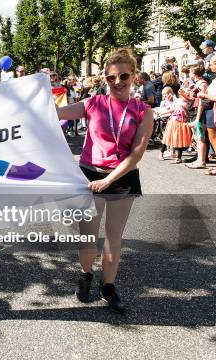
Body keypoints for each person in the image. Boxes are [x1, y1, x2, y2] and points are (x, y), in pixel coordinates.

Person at [58, 48, 154, 314]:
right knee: (88, 236)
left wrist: (109, 179)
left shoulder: (143, 111)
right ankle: (86, 273)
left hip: (122, 176)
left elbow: (137, 153)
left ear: (133, 76)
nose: (118, 82)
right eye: (111, 78)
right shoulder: (93, 102)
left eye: (124, 76)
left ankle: (108, 285)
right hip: (89, 173)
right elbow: (53, 114)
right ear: (105, 79)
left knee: (114, 237)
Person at [197, 54, 216, 176]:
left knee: (215, 139)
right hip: (213, 109)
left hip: (215, 110)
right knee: (214, 139)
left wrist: (205, 95)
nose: (209, 66)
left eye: (211, 64)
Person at [161, 87, 192, 164]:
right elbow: (172, 109)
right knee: (167, 137)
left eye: (188, 92)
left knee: (180, 139)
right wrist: (162, 113)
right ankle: (161, 153)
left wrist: (183, 94)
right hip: (173, 120)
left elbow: (188, 100)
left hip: (181, 121)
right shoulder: (177, 100)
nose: (184, 93)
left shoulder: (187, 101)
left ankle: (179, 157)